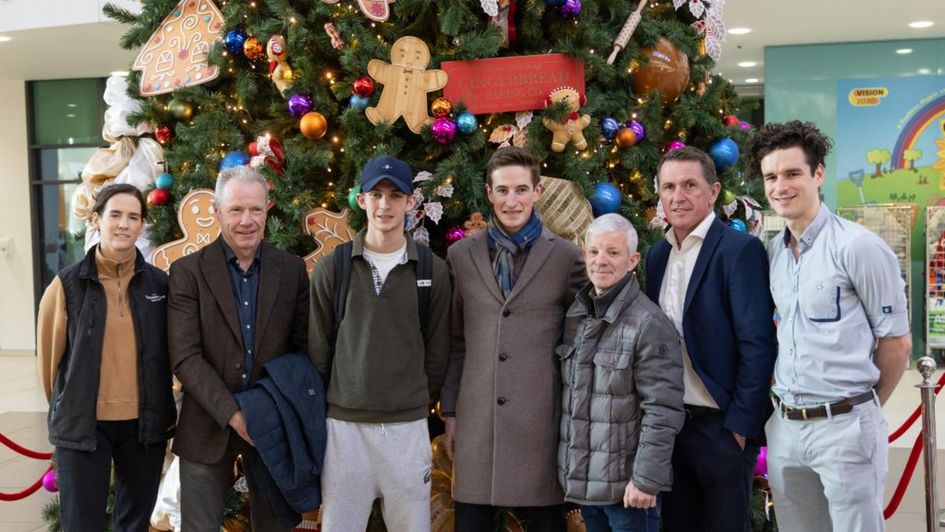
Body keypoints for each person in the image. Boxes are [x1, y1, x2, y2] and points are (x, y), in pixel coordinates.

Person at [747, 120, 912, 532]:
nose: (780, 186)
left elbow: (896, 343)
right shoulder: (774, 253)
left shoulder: (858, 248)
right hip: (785, 427)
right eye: (771, 177)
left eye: (792, 174)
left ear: (818, 174)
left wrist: (861, 410)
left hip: (845, 426)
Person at [441, 146, 585, 532]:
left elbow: (577, 345)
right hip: (477, 423)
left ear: (537, 192)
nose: (512, 201)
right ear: (489, 193)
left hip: (540, 425)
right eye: (502, 190)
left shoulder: (568, 258)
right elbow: (456, 341)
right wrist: (451, 412)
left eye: (521, 190)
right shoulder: (461, 255)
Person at [309, 155, 451, 532]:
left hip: (407, 429)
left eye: (395, 195)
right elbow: (318, 351)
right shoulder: (332, 268)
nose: (385, 205)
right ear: (361, 200)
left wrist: (415, 397)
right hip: (344, 429)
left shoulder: (432, 270)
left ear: (410, 203)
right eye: (376, 194)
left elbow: (438, 350)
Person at [168, 166, 310, 532]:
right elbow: (185, 356)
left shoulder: (291, 271)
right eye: (235, 210)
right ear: (216, 211)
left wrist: (264, 410)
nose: (246, 221)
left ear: (268, 210)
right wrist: (234, 413)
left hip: (273, 424)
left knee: (273, 525)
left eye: (256, 210)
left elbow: (301, 349)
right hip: (206, 424)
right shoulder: (188, 273)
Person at [644, 146, 777, 532]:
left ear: (713, 191)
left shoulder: (739, 250)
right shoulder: (656, 256)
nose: (677, 196)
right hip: (669, 427)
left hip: (721, 427)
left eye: (689, 185)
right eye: (668, 186)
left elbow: (758, 344)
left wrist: (740, 427)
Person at [36, 183, 175, 531]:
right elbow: (49, 362)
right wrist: (67, 405)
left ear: (142, 225)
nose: (124, 224)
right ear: (97, 219)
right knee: (82, 524)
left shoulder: (160, 285)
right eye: (115, 215)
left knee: (134, 523)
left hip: (144, 428)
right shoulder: (67, 285)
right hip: (84, 425)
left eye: (133, 217)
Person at [558, 213, 684, 532]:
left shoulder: (648, 324)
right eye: (594, 251)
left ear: (632, 260)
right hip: (588, 487)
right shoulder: (577, 314)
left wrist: (645, 480)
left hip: (629, 493)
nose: (601, 260)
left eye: (613, 252)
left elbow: (663, 409)